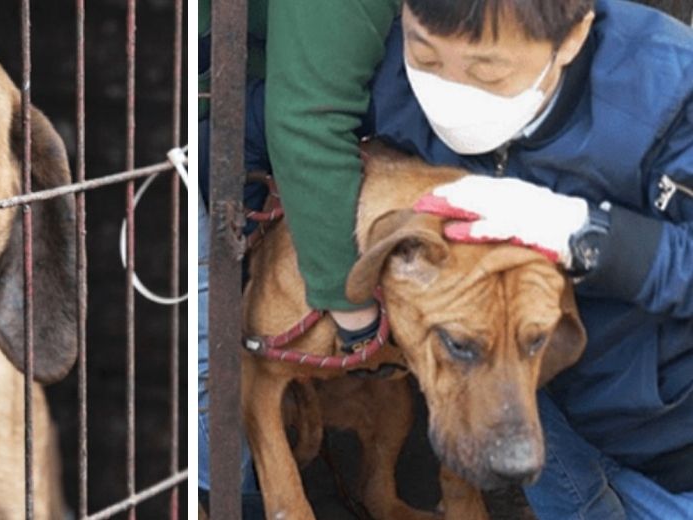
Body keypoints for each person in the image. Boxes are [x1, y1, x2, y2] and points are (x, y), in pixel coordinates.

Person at [360, 0, 693, 517]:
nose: (449, 91)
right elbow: (273, 123)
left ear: (572, 39)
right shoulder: (389, 80)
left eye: (486, 70)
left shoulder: (669, 87)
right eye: (424, 57)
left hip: (672, 445)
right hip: (535, 404)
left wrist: (584, 232)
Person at [197, 0, 399, 516]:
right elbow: (306, 122)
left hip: (285, 83)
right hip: (213, 102)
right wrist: (354, 313)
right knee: (217, 343)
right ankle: (229, 490)